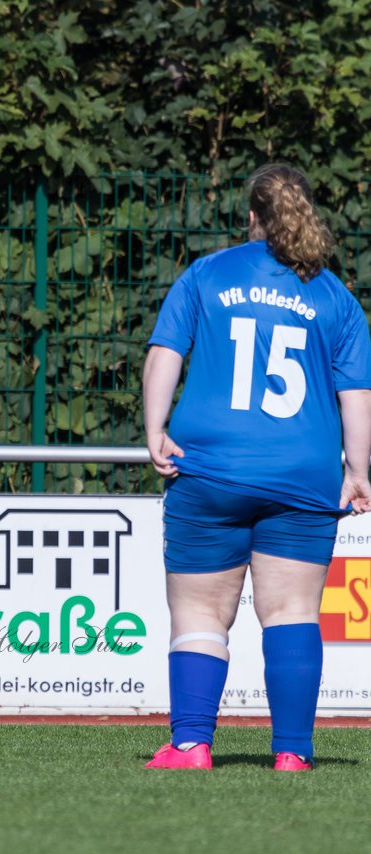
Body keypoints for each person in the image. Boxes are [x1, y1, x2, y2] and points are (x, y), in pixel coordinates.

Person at [142, 163, 371, 771]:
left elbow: (165, 353)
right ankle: (292, 753)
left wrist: (154, 429)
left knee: (198, 613)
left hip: (211, 472)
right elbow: (357, 395)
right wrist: (358, 470)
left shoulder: (208, 274)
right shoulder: (335, 298)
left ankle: (191, 745)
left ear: (251, 216)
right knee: (293, 614)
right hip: (302, 478)